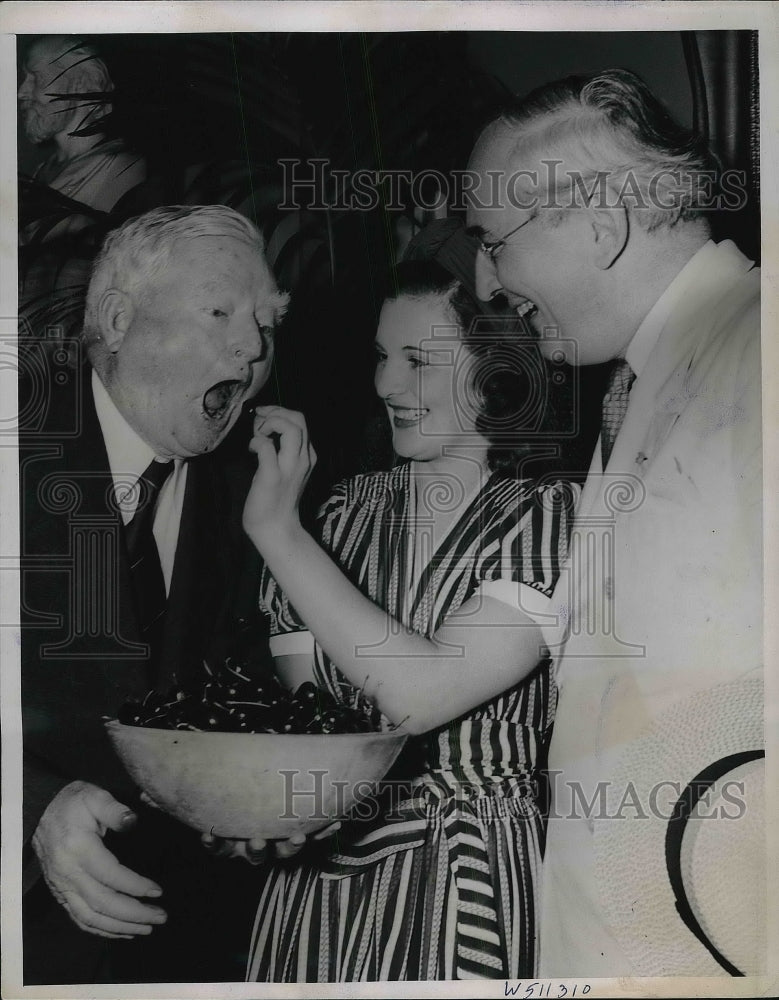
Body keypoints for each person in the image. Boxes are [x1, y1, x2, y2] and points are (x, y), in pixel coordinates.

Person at [465, 69, 763, 976]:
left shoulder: (760, 346)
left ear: (598, 228)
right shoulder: (644, 382)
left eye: (492, 243)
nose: (484, 282)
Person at [241, 221, 579, 981]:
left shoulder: (547, 515)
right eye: (382, 356)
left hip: (465, 880)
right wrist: (287, 812)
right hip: (316, 892)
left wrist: (274, 529)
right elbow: (317, 723)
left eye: (419, 361)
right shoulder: (341, 513)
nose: (387, 385)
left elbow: (417, 694)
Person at [20, 204, 290, 983]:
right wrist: (31, 805)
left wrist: (261, 803)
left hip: (169, 942)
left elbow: (235, 687)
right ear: (116, 318)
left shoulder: (249, 485)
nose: (252, 346)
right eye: (220, 312)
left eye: (266, 322)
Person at [18, 35, 147, 241]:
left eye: (36, 78)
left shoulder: (120, 167)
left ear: (79, 84)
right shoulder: (43, 169)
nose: (21, 93)